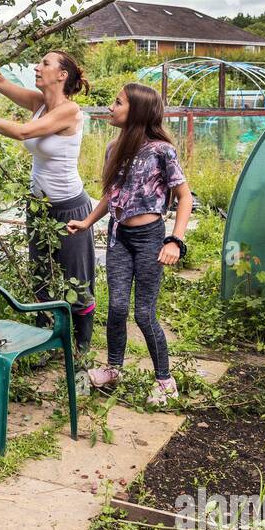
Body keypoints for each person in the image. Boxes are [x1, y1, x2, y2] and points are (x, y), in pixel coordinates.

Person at [0, 28, 96, 353]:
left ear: (61, 75)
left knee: (77, 279)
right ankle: (45, 341)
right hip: (38, 207)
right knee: (42, 278)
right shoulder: (38, 102)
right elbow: (1, 83)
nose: (37, 66)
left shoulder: (69, 111)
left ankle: (82, 349)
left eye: (44, 63)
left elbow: (22, 132)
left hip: (70, 208)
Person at [66, 83, 192, 405]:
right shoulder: (114, 148)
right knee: (117, 307)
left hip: (150, 238)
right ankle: (113, 369)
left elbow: (184, 197)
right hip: (118, 236)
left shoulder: (162, 151)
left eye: (117, 102)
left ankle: (165, 380)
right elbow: (112, 195)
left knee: (144, 313)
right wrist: (87, 222)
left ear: (136, 110)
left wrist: (174, 240)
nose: (111, 107)